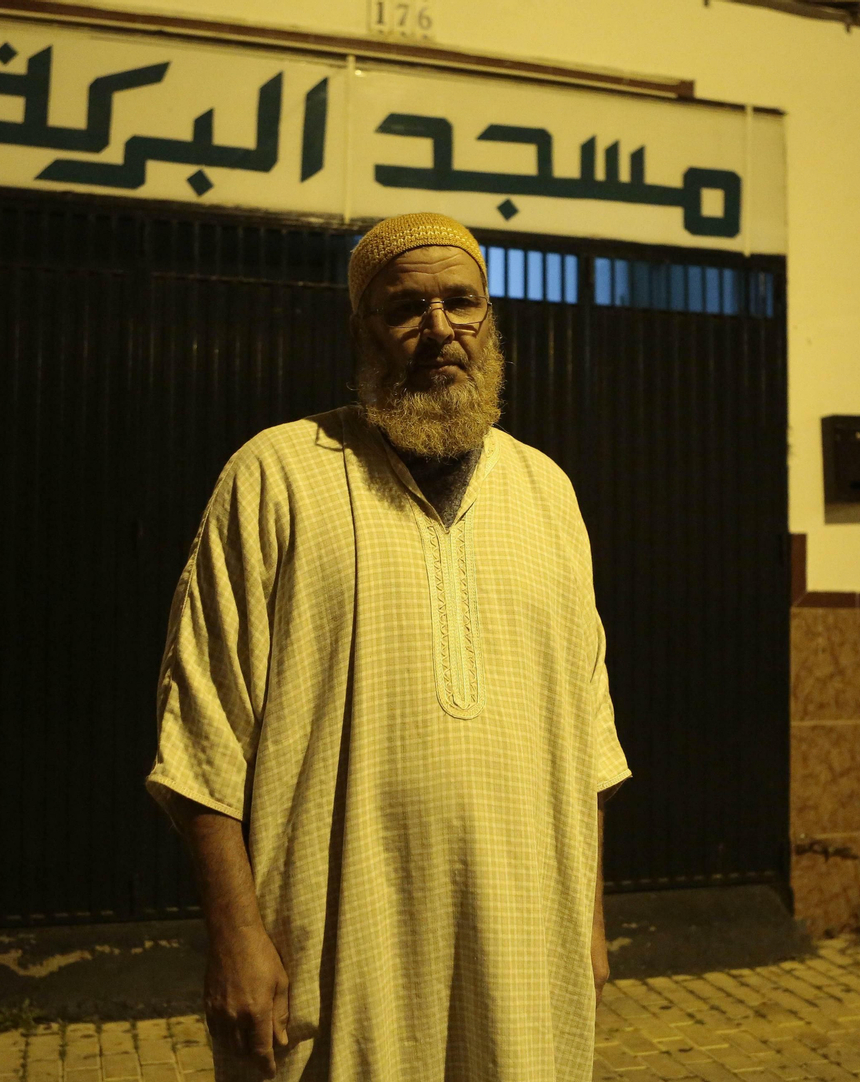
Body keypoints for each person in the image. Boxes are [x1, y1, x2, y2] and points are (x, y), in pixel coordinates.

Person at [146, 212, 630, 1082]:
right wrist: (235, 936)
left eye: (461, 302)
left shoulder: (548, 493)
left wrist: (587, 924)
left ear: (491, 319)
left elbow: (587, 736)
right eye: (405, 308)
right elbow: (203, 735)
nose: (438, 329)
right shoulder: (277, 475)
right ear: (362, 330)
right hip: (329, 958)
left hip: (523, 955)